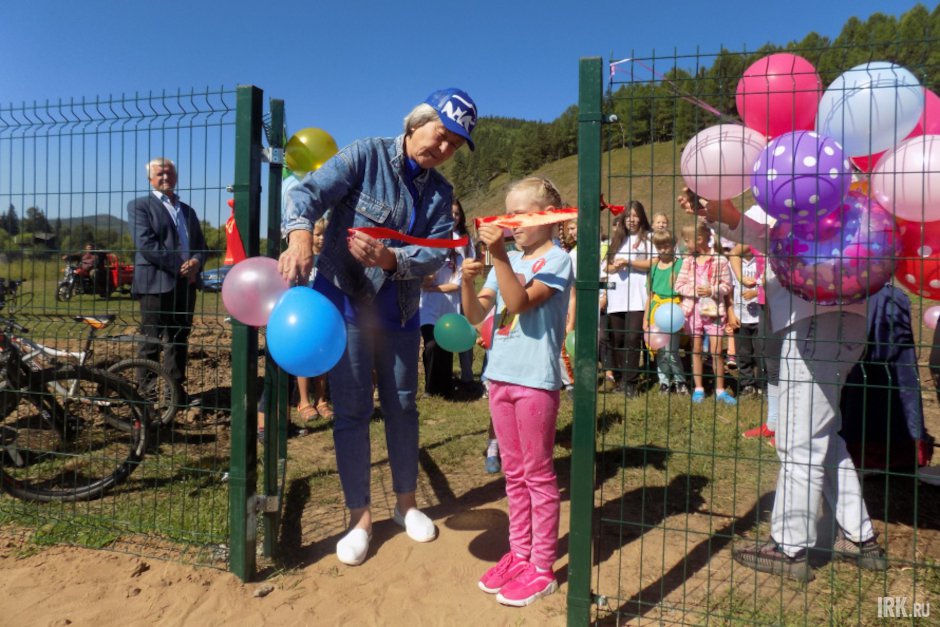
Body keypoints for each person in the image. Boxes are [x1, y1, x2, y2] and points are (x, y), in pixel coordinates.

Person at [278, 87, 477, 567]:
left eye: (455, 144)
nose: (444, 148)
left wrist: (392, 259)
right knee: (350, 411)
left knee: (404, 407)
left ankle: (406, 503)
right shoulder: (365, 155)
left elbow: (434, 252)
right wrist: (301, 233)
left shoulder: (441, 192)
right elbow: (307, 192)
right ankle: (359, 517)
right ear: (415, 124)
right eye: (442, 135)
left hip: (400, 313)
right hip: (343, 304)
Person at [685, 191, 886, 582]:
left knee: (798, 438)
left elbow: (767, 237)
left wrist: (725, 213)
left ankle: (789, 546)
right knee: (824, 435)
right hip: (842, 322)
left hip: (813, 324)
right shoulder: (844, 198)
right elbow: (763, 235)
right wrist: (719, 214)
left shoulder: (804, 195)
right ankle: (860, 538)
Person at [461, 176, 573, 607]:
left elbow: (521, 302)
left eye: (521, 215)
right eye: (508, 216)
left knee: (539, 475)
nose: (512, 224)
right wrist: (470, 282)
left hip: (534, 383)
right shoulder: (505, 260)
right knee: (513, 474)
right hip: (501, 377)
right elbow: (478, 314)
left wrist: (497, 258)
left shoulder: (557, 260)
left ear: (549, 218)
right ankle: (519, 553)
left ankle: (542, 566)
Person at [128, 157, 207, 404]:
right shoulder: (139, 206)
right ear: (150, 179)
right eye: (160, 174)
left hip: (185, 285)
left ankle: (175, 394)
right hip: (155, 283)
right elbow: (146, 245)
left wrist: (196, 262)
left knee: (178, 340)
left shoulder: (188, 210)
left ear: (176, 176)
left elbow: (201, 246)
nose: (165, 178)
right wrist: (180, 267)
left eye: (169, 173)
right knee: (150, 341)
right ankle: (147, 398)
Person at [674, 221, 736, 405]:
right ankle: (699, 388)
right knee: (696, 349)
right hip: (693, 313)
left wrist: (712, 290)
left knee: (717, 351)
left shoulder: (720, 260)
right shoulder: (687, 261)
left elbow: (727, 286)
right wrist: (695, 291)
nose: (685, 244)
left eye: (687, 240)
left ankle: (720, 390)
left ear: (699, 239)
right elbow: (679, 285)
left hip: (715, 312)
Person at [602, 201, 653, 396]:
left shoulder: (648, 238)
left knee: (633, 338)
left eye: (635, 215)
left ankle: (631, 383)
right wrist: (615, 267)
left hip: (638, 296)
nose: (631, 220)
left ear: (641, 217)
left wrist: (630, 261)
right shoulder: (617, 239)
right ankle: (622, 379)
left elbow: (653, 263)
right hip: (617, 297)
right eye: (628, 216)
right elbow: (606, 266)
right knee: (618, 338)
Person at [296, 217, 333, 422]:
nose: (321, 238)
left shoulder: (329, 261)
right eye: (317, 234)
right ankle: (303, 401)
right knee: (304, 359)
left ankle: (321, 400)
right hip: (304, 317)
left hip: (324, 317)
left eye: (324, 234)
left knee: (322, 361)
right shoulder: (304, 259)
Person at [643, 229, 687, 394]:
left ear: (673, 245)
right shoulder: (653, 267)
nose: (662, 249)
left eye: (666, 245)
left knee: (671, 351)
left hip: (673, 311)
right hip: (656, 309)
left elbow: (684, 293)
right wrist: (646, 318)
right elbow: (650, 295)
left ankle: (680, 381)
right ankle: (664, 382)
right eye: (659, 246)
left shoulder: (680, 265)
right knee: (660, 351)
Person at [419, 242, 464, 399]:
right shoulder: (427, 257)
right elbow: (424, 283)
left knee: (446, 346)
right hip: (428, 310)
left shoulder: (458, 259)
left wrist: (432, 289)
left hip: (449, 309)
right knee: (431, 345)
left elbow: (455, 286)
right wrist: (432, 270)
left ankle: (445, 388)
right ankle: (430, 388)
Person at [728, 243, 766, 396]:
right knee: (743, 354)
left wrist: (756, 293)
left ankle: (762, 385)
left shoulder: (761, 261)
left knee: (760, 353)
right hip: (740, 316)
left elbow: (769, 283)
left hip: (759, 316)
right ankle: (747, 385)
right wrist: (731, 311)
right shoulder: (732, 264)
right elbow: (729, 291)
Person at [452, 200, 477, 388]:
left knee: (465, 334)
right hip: (440, 295)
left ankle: (467, 375)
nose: (453, 217)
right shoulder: (435, 235)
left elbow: (471, 262)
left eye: (457, 214)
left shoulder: (466, 238)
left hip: (462, 292)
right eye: (450, 213)